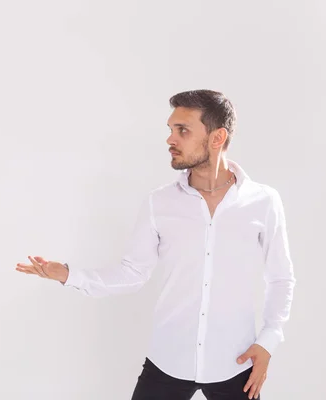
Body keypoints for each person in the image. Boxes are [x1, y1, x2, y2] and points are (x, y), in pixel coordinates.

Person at [16, 90, 295, 400]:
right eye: (171, 129)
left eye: (183, 130)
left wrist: (269, 341)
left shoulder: (264, 202)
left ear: (217, 138)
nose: (170, 139)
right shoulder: (159, 203)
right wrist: (69, 275)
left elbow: (280, 278)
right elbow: (132, 273)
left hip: (236, 364)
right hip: (167, 362)